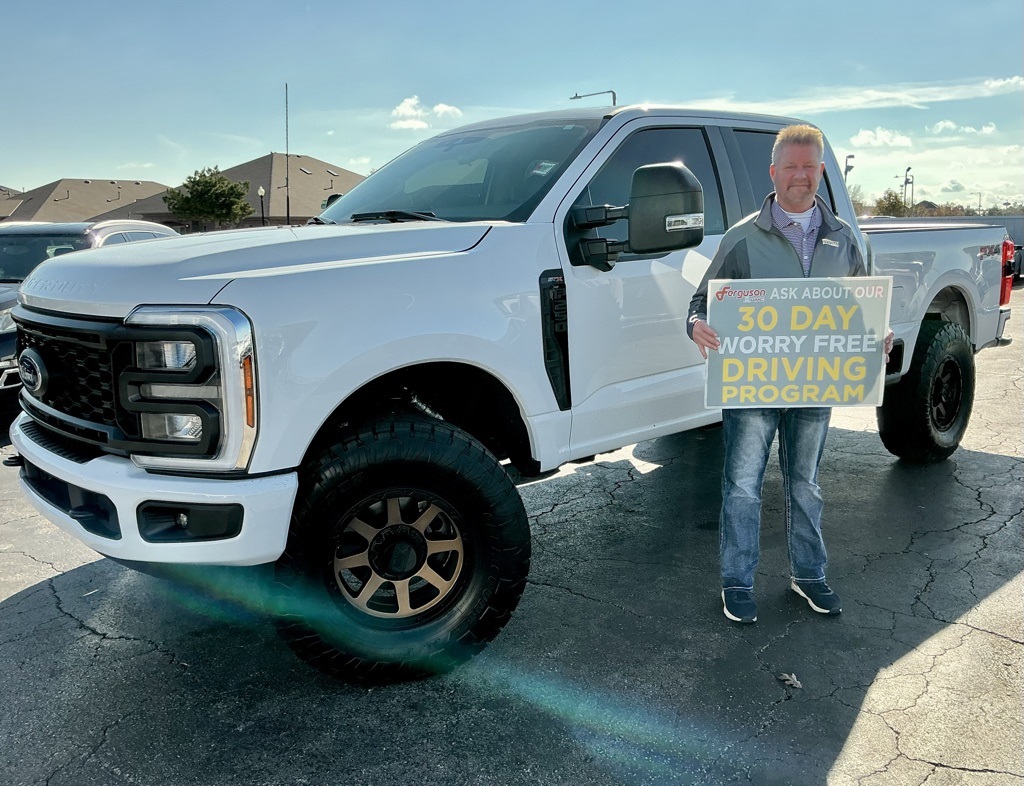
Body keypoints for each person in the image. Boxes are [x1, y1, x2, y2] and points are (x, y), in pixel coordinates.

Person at [687, 124, 892, 624]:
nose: (801, 175)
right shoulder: (741, 238)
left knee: (806, 484)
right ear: (774, 171)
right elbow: (701, 301)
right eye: (791, 165)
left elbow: (862, 310)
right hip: (752, 386)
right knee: (742, 486)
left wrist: (874, 341)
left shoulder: (844, 239)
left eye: (810, 166)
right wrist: (696, 325)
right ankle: (737, 582)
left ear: (821, 171)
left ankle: (810, 576)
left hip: (814, 384)